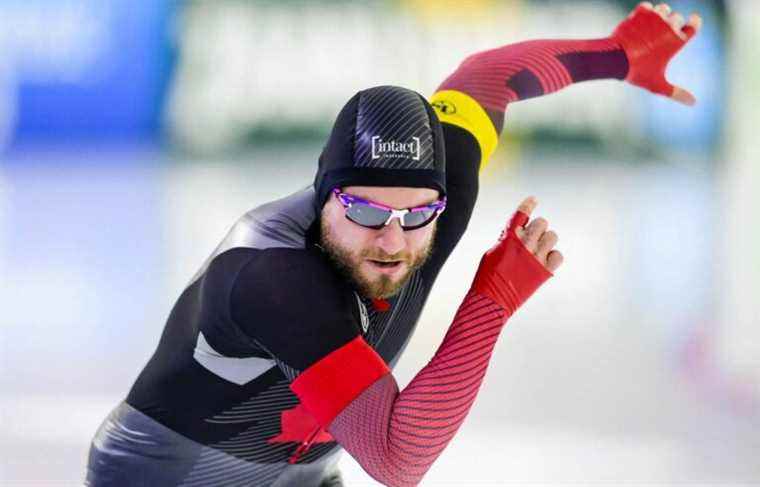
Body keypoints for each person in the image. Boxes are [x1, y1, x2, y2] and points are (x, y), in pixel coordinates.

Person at [85, 3, 701, 486]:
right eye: (364, 210)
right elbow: (397, 461)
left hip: (303, 472)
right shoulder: (271, 277)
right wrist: (492, 300)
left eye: (415, 215)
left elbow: (490, 76)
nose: (390, 239)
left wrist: (619, 53)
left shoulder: (434, 203)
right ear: (326, 194)